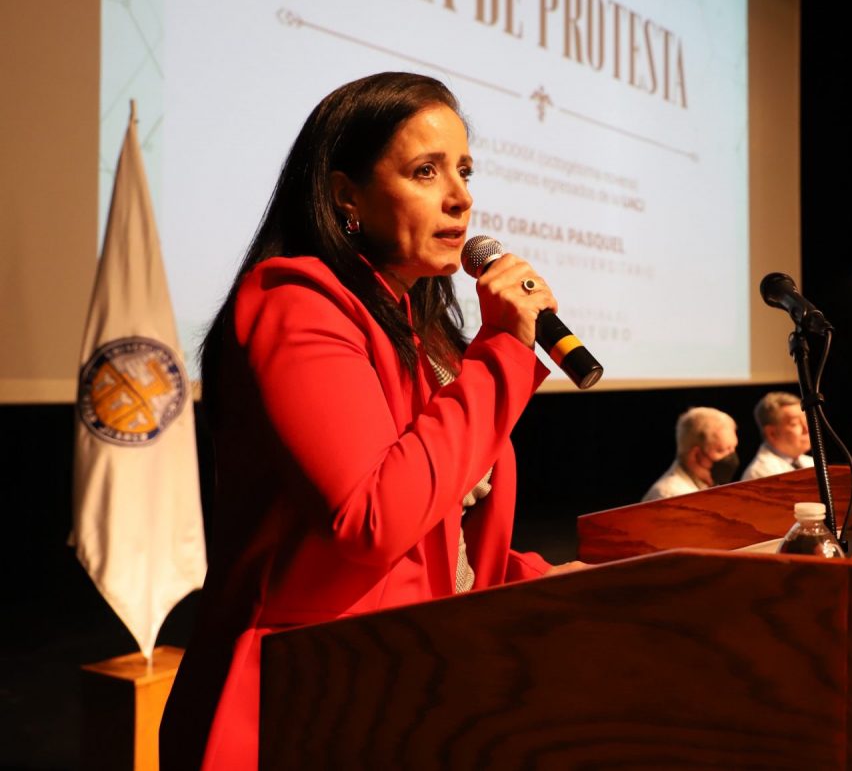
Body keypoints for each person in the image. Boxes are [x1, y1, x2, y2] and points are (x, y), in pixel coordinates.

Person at [160, 72, 580, 769]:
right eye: (426, 171)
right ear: (344, 195)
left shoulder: (426, 338)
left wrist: (572, 581)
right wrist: (504, 346)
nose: (460, 196)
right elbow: (373, 520)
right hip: (307, 703)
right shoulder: (296, 301)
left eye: (465, 170)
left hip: (415, 685)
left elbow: (446, 551)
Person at [642, 407, 739, 501]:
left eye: (733, 447)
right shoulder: (670, 497)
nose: (731, 456)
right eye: (722, 450)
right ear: (695, 455)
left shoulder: (709, 485)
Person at [740, 391, 813, 480]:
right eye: (794, 423)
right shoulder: (761, 473)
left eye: (805, 421)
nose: (806, 429)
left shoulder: (810, 462)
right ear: (772, 433)